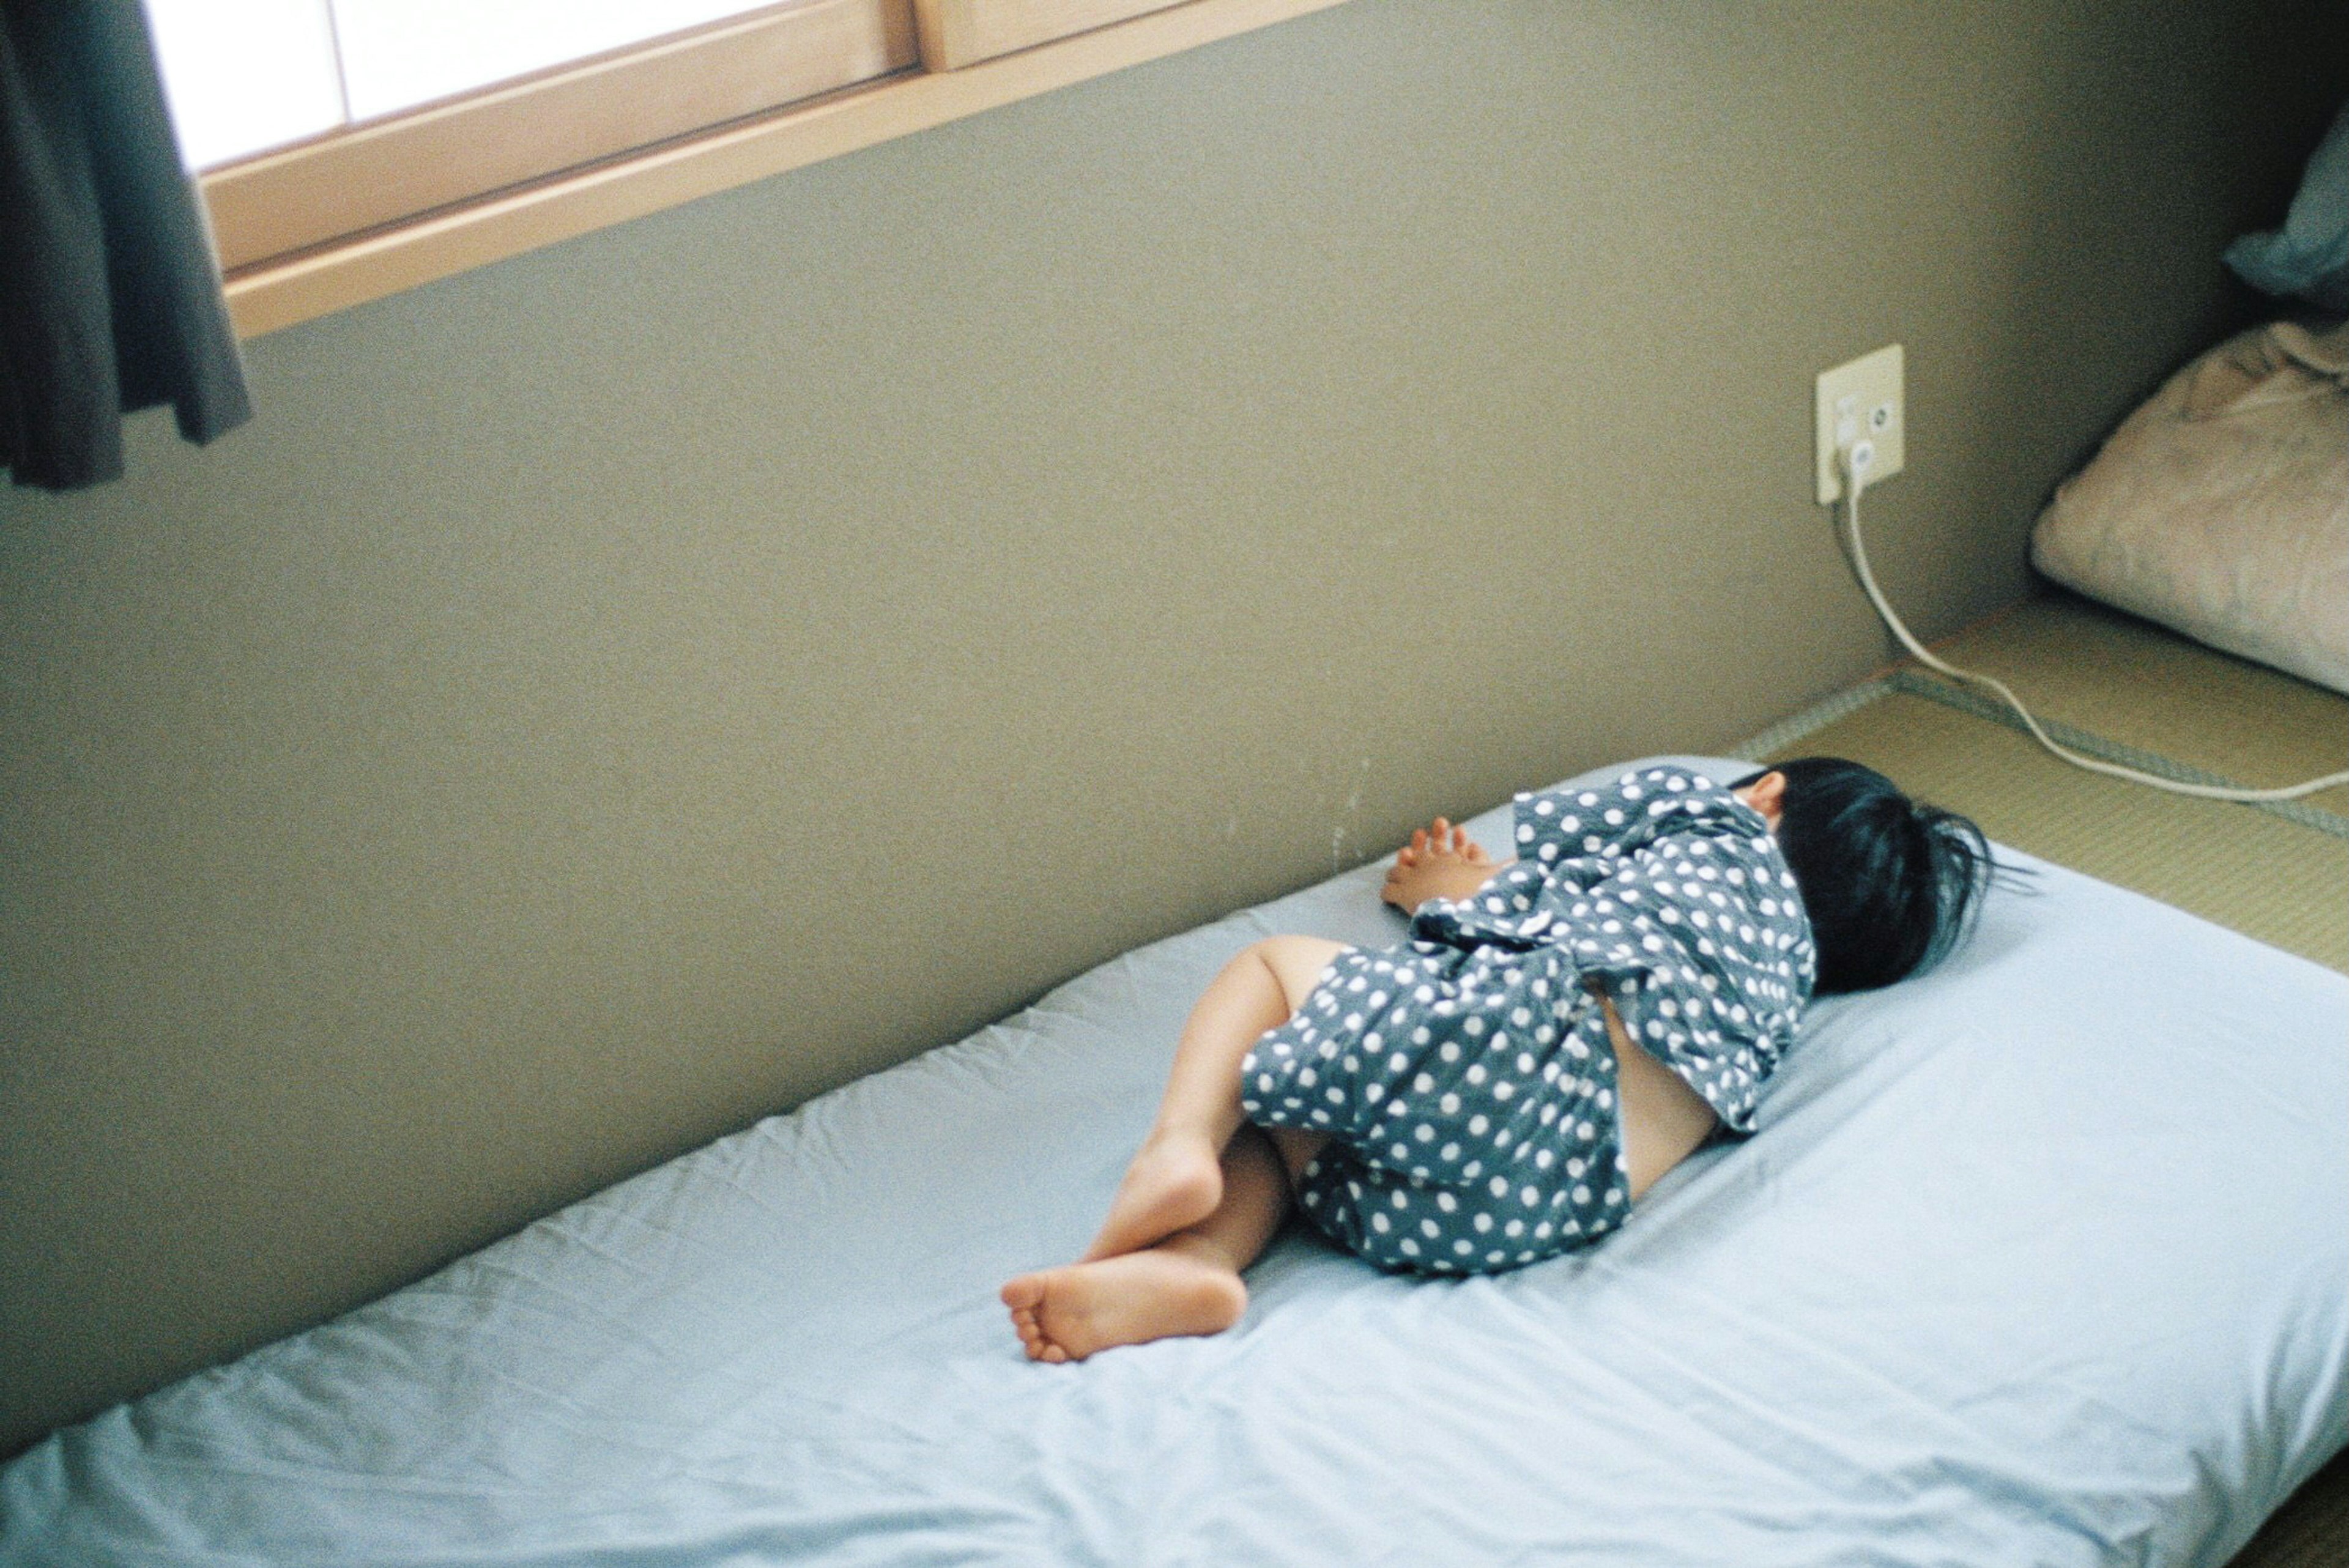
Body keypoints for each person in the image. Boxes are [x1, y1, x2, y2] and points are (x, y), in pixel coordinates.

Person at [1001, 758, 1993, 1364]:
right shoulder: (1772, 1008)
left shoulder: (1715, 825)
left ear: (1765, 795)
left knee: (1271, 978)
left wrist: (1450, 886)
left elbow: (1557, 918)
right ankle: (1201, 1268)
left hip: (1483, 1064)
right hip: (1516, 1209)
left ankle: (1176, 1153)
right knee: (1296, 1108)